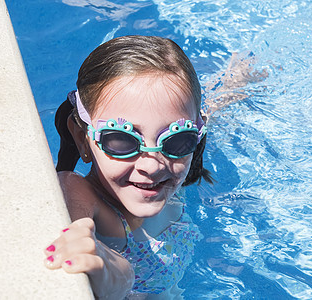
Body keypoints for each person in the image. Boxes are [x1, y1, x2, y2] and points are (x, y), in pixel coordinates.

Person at [45, 35, 212, 299]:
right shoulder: (81, 194)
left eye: (177, 138)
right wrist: (99, 259)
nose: (152, 165)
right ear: (82, 138)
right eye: (121, 140)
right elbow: (115, 271)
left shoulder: (169, 180)